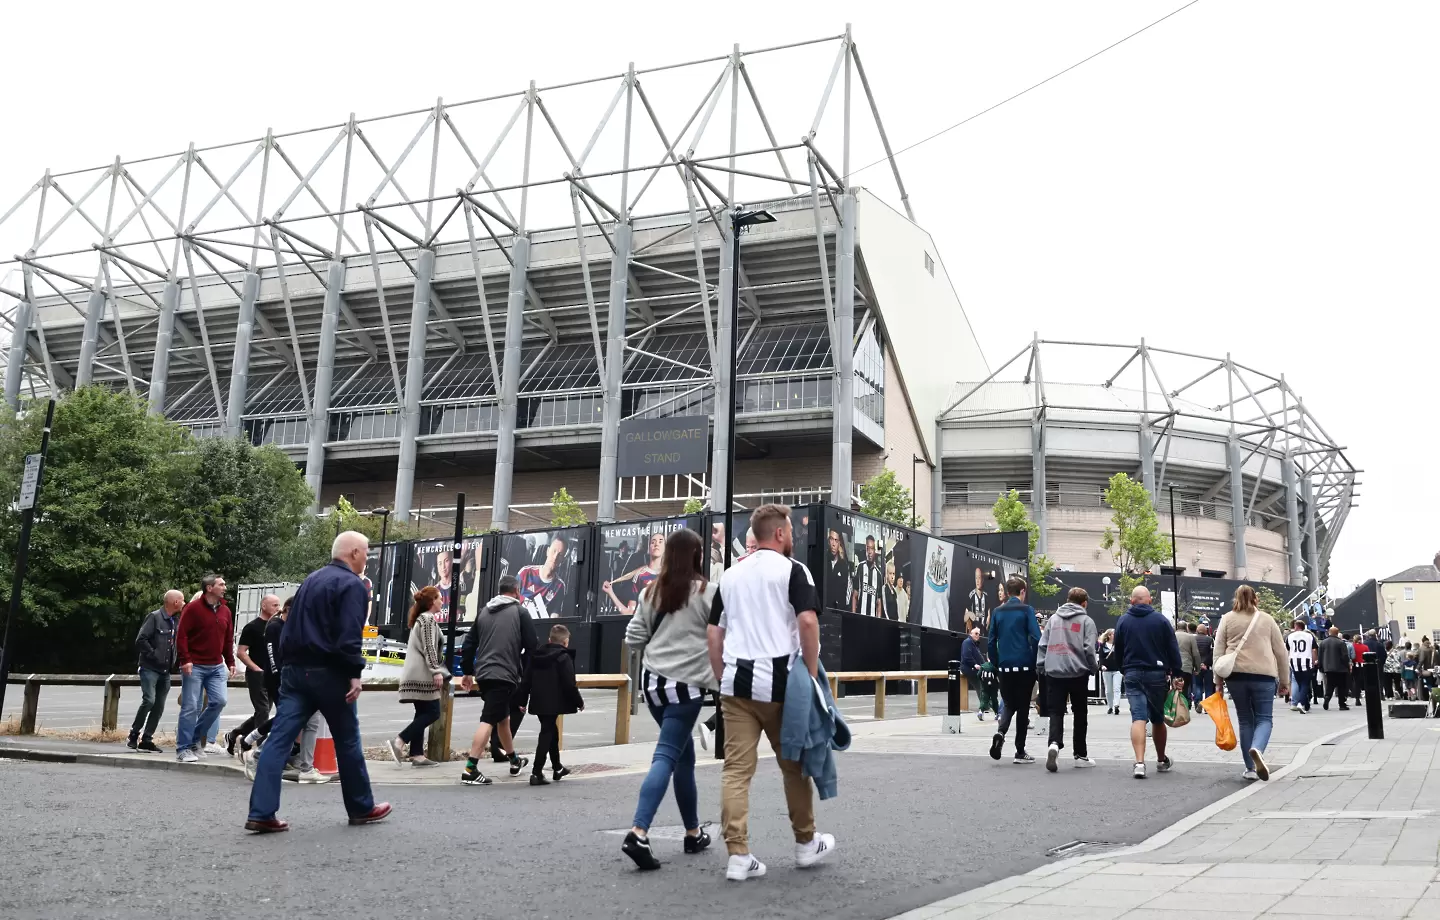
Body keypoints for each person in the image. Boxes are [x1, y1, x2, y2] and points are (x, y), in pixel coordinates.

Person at [707, 503, 834, 882]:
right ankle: (805, 844)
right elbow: (808, 620)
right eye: (790, 531)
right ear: (779, 533)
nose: (792, 537)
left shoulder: (730, 576)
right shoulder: (794, 571)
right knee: (793, 766)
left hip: (736, 685)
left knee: (735, 772)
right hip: (782, 684)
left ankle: (738, 855)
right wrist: (810, 676)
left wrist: (722, 676)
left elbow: (714, 632)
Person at [245, 532, 390, 832]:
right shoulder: (353, 585)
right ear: (352, 553)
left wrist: (286, 668)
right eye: (365, 552)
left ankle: (261, 812)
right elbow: (350, 634)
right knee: (347, 740)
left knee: (279, 739)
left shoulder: (311, 580)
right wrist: (355, 672)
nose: (366, 558)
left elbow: (289, 626)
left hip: (296, 671)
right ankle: (361, 807)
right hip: (330, 672)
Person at [622, 528, 718, 868]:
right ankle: (638, 832)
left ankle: (693, 833)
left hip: (653, 686)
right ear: (696, 555)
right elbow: (722, 637)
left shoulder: (651, 591)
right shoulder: (709, 593)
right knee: (665, 756)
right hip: (686, 687)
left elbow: (633, 637)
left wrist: (658, 648)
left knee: (683, 758)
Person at [458, 575, 536, 785]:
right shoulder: (520, 612)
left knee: (503, 719)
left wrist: (467, 671)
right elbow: (532, 647)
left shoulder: (484, 611)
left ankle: (514, 760)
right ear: (517, 591)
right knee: (489, 720)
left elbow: (469, 643)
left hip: (484, 674)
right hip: (505, 674)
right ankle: (470, 769)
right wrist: (528, 678)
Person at [1213, 587, 1289, 782]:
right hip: (1263, 675)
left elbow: (1218, 650)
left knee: (1245, 719)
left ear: (1235, 598)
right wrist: (1285, 681)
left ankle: (1250, 768)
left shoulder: (1227, 619)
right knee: (1264, 718)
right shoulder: (1267, 619)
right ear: (1256, 598)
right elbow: (1281, 652)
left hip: (1235, 675)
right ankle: (1258, 748)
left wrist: (1218, 681)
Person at [1112, 586, 1184, 779]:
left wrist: (1123, 668)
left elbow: (1118, 648)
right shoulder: (1161, 620)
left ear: (1131, 600)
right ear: (1150, 600)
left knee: (1138, 718)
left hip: (1132, 672)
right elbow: (1172, 648)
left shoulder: (1123, 620)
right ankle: (1161, 760)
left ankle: (1139, 762)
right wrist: (1177, 673)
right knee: (1158, 719)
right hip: (1156, 674)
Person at [174, 574, 237, 763]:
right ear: (209, 588)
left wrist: (231, 661)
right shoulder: (192, 609)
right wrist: (185, 660)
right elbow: (182, 636)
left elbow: (227, 639)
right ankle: (183, 748)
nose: (225, 587)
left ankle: (195, 740)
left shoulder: (225, 610)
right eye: (221, 584)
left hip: (216, 665)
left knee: (219, 701)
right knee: (190, 707)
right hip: (195, 665)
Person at [1038, 587, 1099, 771]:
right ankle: (1080, 755)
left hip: (1054, 671)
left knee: (1056, 711)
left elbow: (1043, 645)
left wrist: (1041, 666)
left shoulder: (1053, 620)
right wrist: (1093, 667)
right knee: (1080, 713)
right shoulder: (1087, 621)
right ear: (1084, 603)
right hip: (1078, 673)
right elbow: (1089, 649)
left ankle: (1054, 744)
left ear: (1067, 600)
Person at [389, 586, 449, 767]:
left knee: (422, 712)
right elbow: (429, 647)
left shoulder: (421, 619)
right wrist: (436, 671)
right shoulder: (428, 619)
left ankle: (417, 754)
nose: (442, 601)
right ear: (432, 601)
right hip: (422, 675)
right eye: (439, 598)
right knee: (432, 712)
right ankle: (399, 741)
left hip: (416, 673)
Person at [518, 624, 584, 787]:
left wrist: (522, 700)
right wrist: (579, 701)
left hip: (538, 700)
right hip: (554, 701)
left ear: (549, 640)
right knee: (547, 733)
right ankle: (536, 772)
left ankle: (557, 767)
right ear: (566, 642)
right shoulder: (563, 657)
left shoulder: (536, 656)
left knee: (551, 730)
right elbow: (569, 683)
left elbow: (526, 680)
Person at [987, 575, 1041, 765]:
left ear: (1007, 593)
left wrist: (996, 662)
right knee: (1024, 707)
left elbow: (991, 640)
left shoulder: (997, 612)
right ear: (1023, 592)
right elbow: (1036, 637)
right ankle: (1019, 750)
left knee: (1009, 703)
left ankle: (1001, 733)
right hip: (1025, 665)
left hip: (1005, 665)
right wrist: (1035, 661)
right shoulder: (1027, 610)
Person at [127, 590, 184, 753]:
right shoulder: (155, 617)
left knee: (159, 706)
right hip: (150, 668)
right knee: (149, 700)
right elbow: (141, 640)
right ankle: (133, 734)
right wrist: (154, 654)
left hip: (165, 671)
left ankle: (147, 739)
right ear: (174, 602)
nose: (184, 603)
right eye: (182, 600)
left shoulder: (176, 621)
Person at [227, 594, 280, 755]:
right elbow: (241, 652)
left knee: (263, 712)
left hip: (273, 674)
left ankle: (236, 734)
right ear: (264, 606)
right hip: (257, 674)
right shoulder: (252, 627)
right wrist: (255, 668)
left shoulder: (277, 626)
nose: (277, 609)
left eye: (279, 606)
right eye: (274, 605)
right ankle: (261, 747)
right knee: (263, 710)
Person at [603, 531, 665, 614]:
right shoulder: (640, 575)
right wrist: (611, 593)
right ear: (648, 547)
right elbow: (629, 612)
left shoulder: (671, 575)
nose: (656, 544)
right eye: (653, 542)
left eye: (660, 542)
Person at [516, 537, 568, 618]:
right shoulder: (525, 572)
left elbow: (555, 614)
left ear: (563, 560)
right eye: (554, 551)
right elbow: (509, 601)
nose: (555, 557)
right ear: (547, 551)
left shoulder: (560, 586)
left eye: (560, 555)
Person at [960, 627, 996, 720]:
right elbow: (966, 656)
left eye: (979, 634)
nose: (977, 635)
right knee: (982, 688)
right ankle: (991, 708)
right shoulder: (967, 642)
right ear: (970, 634)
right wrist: (975, 665)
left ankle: (984, 709)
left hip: (976, 669)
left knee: (983, 688)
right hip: (970, 670)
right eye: (976, 633)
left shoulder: (973, 644)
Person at [1285, 618, 1317, 713]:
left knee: (1299, 683)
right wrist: (1314, 661)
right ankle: (1301, 703)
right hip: (1306, 661)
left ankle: (1305, 703)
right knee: (1305, 683)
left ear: (1296, 626)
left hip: (1294, 662)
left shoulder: (1290, 636)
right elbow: (1314, 649)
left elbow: (1288, 649)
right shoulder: (1309, 636)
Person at [1319, 626, 1351, 710]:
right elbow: (1344, 656)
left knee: (1330, 685)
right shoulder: (1340, 643)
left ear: (1329, 632)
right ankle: (1342, 704)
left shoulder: (1323, 643)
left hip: (1328, 668)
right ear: (1337, 633)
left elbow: (1320, 656)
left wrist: (1321, 667)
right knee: (1341, 687)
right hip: (1341, 669)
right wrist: (1347, 666)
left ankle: (1327, 698)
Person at [852, 535, 884, 617]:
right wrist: (853, 616)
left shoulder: (878, 575)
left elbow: (879, 603)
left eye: (872, 548)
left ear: (875, 551)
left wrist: (878, 622)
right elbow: (855, 595)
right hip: (859, 617)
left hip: (872, 621)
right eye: (867, 548)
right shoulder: (860, 567)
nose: (869, 551)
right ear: (865, 550)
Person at [823, 529, 852, 612]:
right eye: (831, 539)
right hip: (823, 610)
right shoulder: (823, 560)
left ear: (839, 543)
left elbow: (848, 591)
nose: (833, 544)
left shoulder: (844, 566)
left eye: (836, 540)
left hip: (838, 612)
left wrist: (843, 610)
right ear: (828, 541)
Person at [1098, 629, 1122, 715]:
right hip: (1107, 670)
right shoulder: (1103, 646)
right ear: (1109, 636)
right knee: (1108, 690)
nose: (1115, 635)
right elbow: (1101, 658)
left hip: (1117, 670)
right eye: (1113, 634)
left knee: (1117, 688)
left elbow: (1121, 656)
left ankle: (1116, 705)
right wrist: (1102, 666)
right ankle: (1110, 706)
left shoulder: (1118, 645)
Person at [1175, 620, 1199, 701]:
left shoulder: (1172, 636)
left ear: (1177, 627)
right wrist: (1197, 667)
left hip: (1174, 666)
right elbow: (1195, 653)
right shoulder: (1190, 637)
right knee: (1185, 688)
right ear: (1186, 628)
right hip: (1187, 666)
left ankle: (1176, 708)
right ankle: (1184, 708)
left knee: (1175, 688)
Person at [1192, 623, 1215, 709]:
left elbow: (1193, 652)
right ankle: (1207, 706)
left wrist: (1197, 663)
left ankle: (1198, 702)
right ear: (1206, 631)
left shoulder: (1193, 639)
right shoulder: (1210, 639)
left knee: (1198, 685)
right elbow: (1212, 653)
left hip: (1197, 666)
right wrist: (1206, 663)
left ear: (1197, 630)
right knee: (1208, 686)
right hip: (1208, 667)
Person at [965, 567, 989, 635]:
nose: (978, 581)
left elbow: (989, 614)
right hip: (973, 634)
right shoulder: (971, 596)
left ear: (983, 579)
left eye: (979, 577)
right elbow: (967, 614)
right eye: (976, 578)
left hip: (984, 634)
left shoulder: (986, 596)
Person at [1351, 633, 1370, 706]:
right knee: (1365, 682)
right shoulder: (1365, 647)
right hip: (1363, 665)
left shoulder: (1352, 646)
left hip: (1355, 665)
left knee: (1356, 682)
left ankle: (1357, 698)